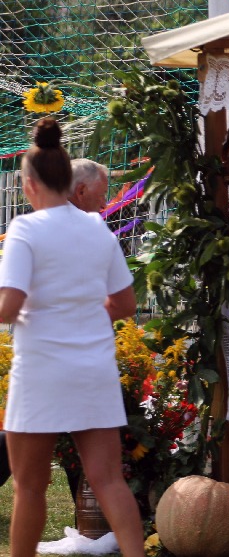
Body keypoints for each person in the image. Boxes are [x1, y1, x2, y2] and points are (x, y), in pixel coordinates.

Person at [0, 118, 144, 557]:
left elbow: (8, 307)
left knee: (30, 486)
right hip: (93, 370)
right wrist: (82, 313)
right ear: (69, 182)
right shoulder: (97, 229)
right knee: (109, 480)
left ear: (28, 185)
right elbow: (124, 304)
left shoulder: (24, 229)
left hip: (41, 370)